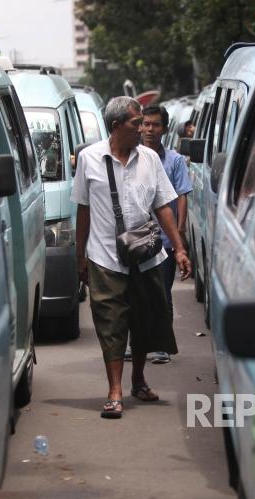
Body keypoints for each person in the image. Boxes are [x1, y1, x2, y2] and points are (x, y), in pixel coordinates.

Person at [72, 96, 191, 419]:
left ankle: (138, 379)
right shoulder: (89, 159)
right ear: (116, 126)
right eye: (136, 123)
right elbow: (82, 209)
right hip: (104, 256)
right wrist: (80, 255)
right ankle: (114, 391)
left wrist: (179, 248)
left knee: (142, 320)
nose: (143, 129)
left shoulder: (150, 159)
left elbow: (163, 205)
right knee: (110, 323)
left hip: (144, 255)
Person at [138, 105, 192, 364]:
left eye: (155, 125)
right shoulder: (131, 157)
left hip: (166, 239)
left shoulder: (175, 161)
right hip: (135, 239)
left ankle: (161, 345)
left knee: (162, 293)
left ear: (164, 129)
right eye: (145, 124)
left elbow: (182, 196)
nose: (149, 129)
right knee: (135, 294)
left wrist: (179, 233)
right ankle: (135, 343)